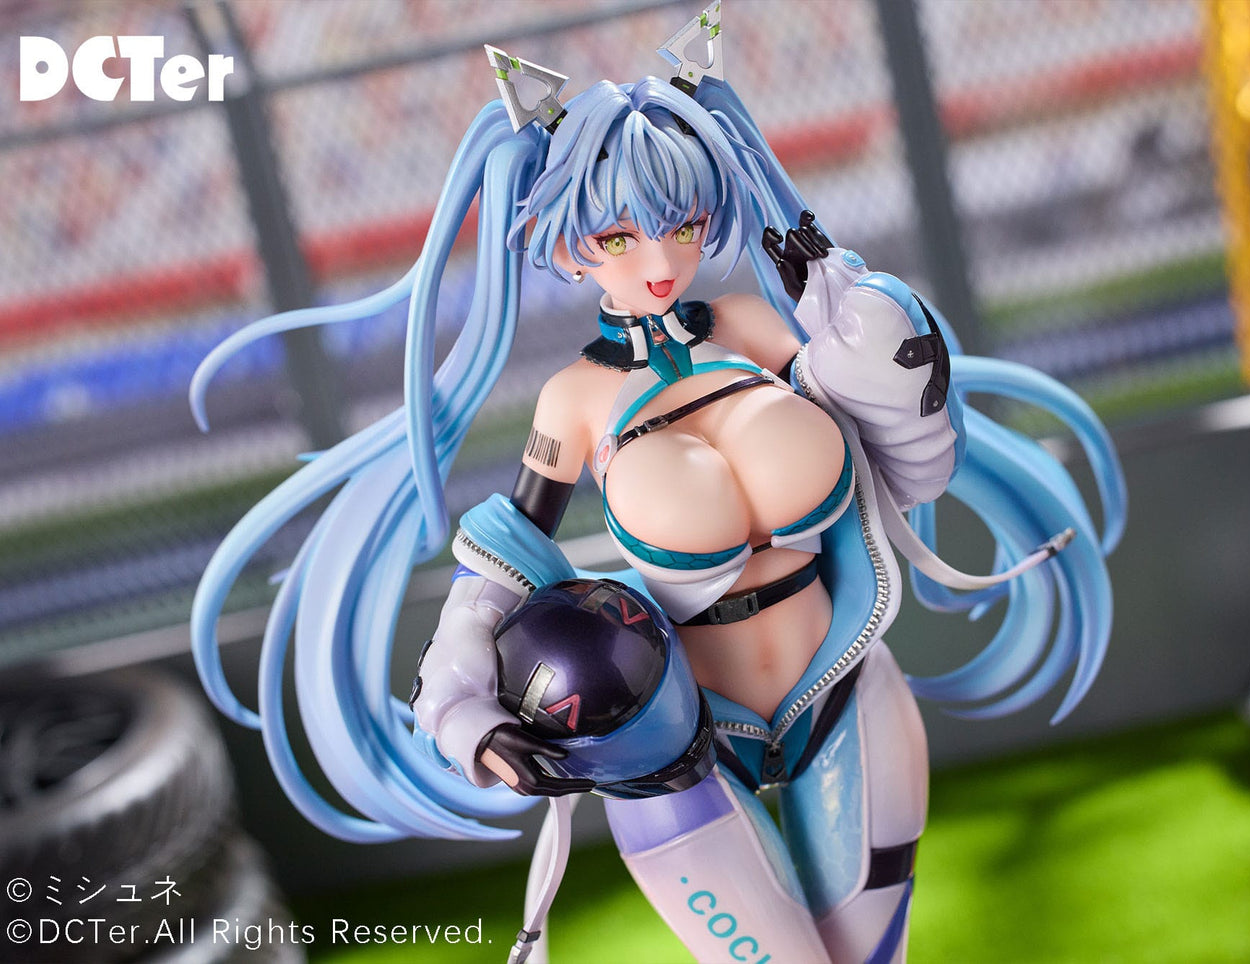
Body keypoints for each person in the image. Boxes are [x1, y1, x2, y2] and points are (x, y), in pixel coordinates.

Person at [190, 7, 1125, 962]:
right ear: (564, 244)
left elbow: (908, 456)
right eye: (618, 236)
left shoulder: (755, 328)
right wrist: (463, 712)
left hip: (842, 685)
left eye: (682, 226)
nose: (661, 260)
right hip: (677, 748)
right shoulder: (575, 401)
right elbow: (501, 562)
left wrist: (870, 333)